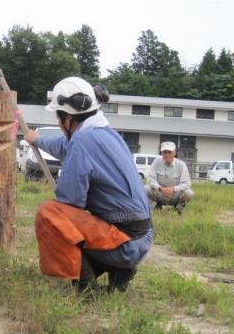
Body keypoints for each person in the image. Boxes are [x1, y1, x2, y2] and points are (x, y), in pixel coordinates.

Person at [24, 77, 153, 293]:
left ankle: (86, 287)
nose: (58, 122)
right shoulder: (106, 135)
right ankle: (119, 270)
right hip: (141, 238)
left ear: (67, 118)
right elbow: (64, 146)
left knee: (51, 214)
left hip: (122, 243)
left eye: (58, 116)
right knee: (79, 219)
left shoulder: (82, 141)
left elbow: (70, 201)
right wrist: (37, 140)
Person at [144, 141, 194, 215]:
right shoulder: (156, 162)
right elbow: (150, 180)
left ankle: (178, 209)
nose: (167, 155)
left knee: (189, 193)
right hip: (160, 193)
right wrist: (161, 188)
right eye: (164, 152)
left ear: (174, 153)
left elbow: (187, 183)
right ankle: (156, 206)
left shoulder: (181, 164)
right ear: (161, 153)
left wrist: (173, 189)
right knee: (144, 189)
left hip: (175, 195)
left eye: (169, 152)